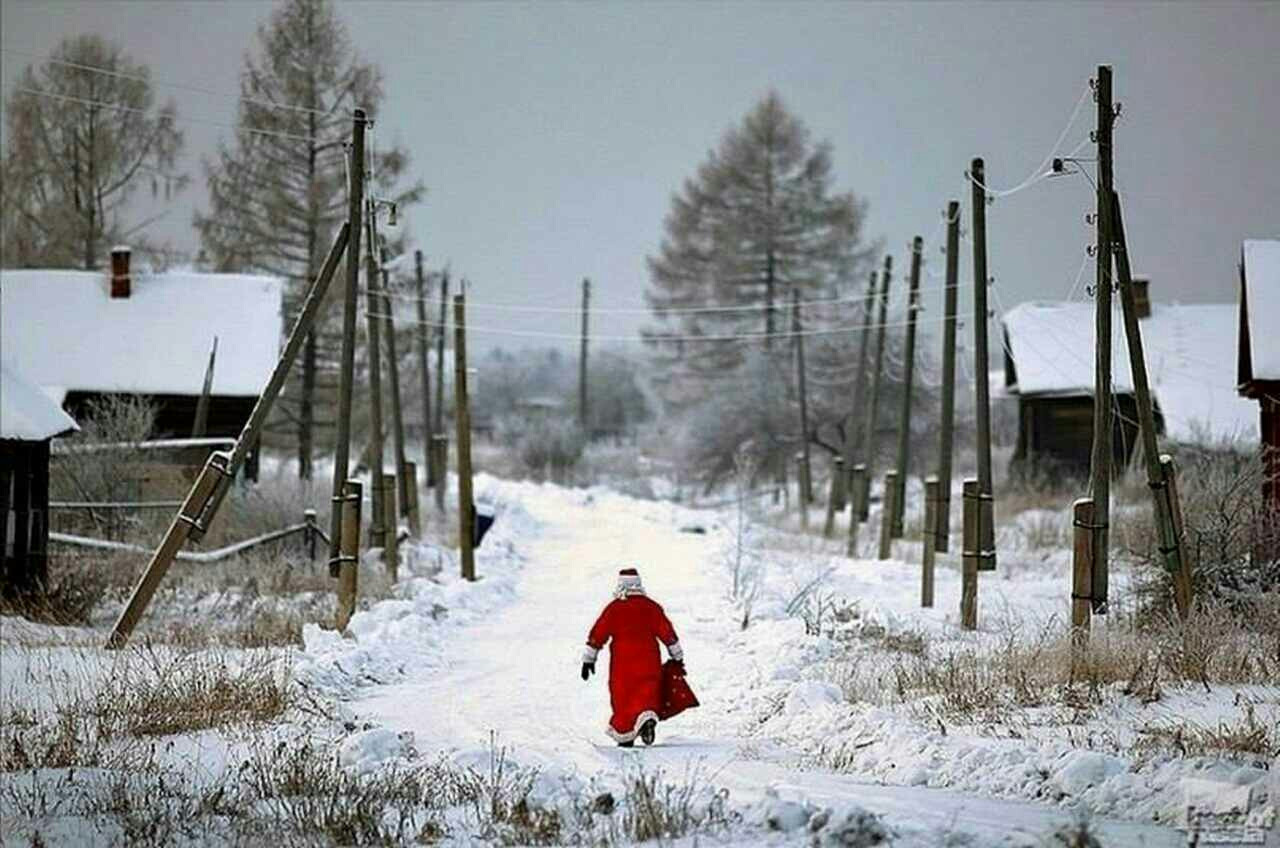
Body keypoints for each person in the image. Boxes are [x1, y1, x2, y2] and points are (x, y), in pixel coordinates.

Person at [581, 568, 684, 747]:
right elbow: (667, 632)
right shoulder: (651, 607)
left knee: (622, 696)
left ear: (620, 585)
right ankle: (647, 718)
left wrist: (589, 658)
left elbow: (598, 633)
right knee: (647, 691)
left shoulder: (614, 608)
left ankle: (625, 735)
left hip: (622, 664)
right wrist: (677, 655)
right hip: (649, 660)